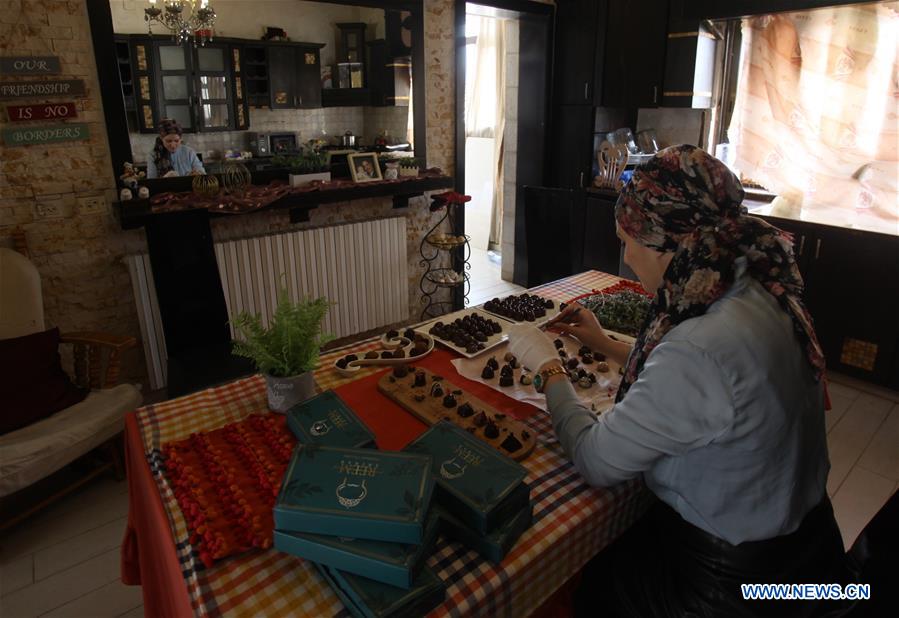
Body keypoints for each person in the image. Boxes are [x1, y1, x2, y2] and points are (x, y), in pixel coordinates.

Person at [508, 145, 846, 617]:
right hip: (814, 555)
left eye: (627, 241)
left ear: (663, 240)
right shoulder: (755, 287)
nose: (626, 257)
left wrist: (548, 367)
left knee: (590, 576)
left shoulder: (701, 344)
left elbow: (596, 461)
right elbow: (706, 383)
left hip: (738, 589)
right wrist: (604, 342)